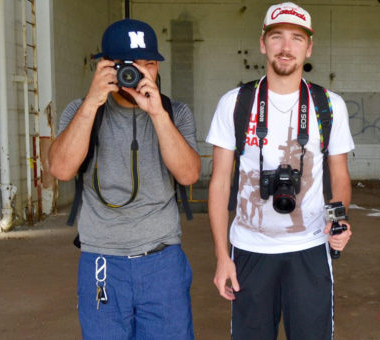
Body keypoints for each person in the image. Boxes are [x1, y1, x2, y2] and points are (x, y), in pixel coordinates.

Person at [206, 2, 354, 339]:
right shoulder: (235, 103)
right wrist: (220, 256)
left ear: (309, 47)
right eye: (277, 37)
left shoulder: (328, 105)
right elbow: (218, 184)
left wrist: (340, 220)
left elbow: (340, 176)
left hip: (311, 247)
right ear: (263, 43)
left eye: (297, 38)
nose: (286, 48)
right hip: (250, 247)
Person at [48, 18, 200, 339]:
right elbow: (61, 169)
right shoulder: (81, 111)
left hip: (162, 259)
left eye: (149, 64)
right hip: (101, 260)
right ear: (107, 66)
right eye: (130, 66)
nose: (140, 74)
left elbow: (188, 174)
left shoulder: (175, 113)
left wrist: (157, 113)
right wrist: (92, 102)